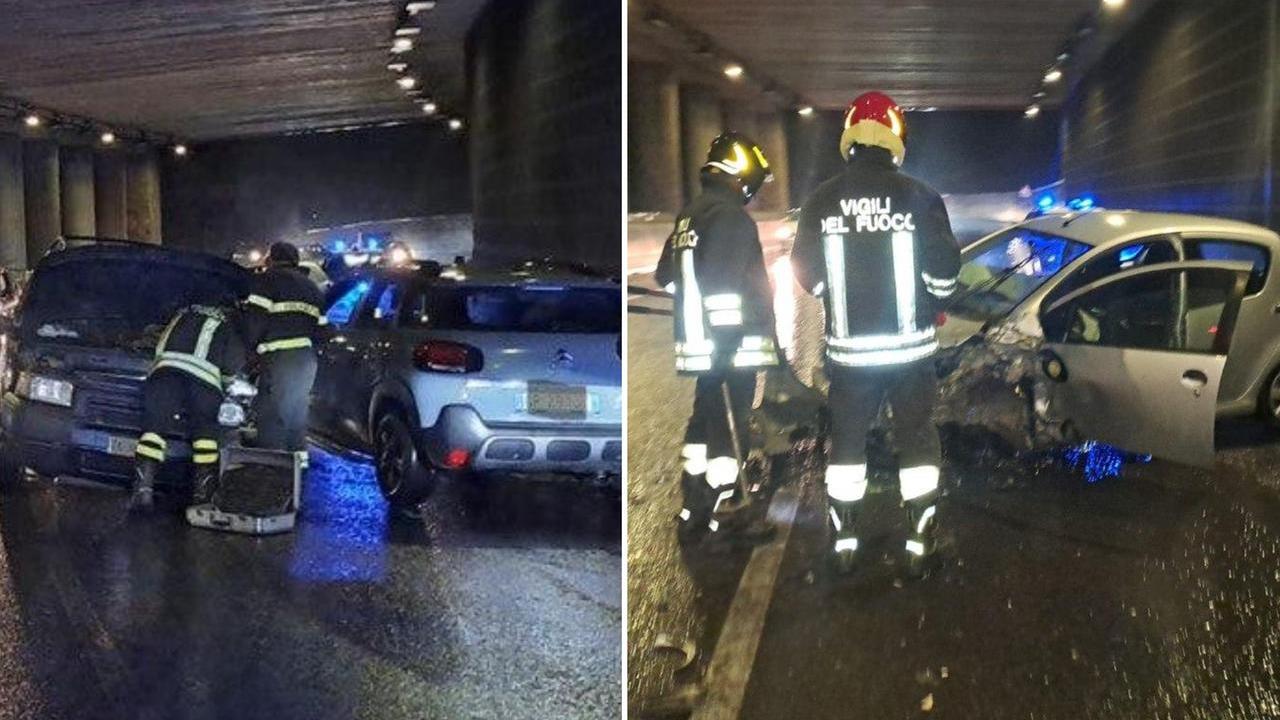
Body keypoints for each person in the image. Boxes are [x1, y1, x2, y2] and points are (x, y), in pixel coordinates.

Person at [791, 91, 961, 575]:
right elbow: (946, 269)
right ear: (894, 139)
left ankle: (844, 545)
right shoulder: (921, 197)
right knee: (917, 441)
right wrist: (934, 302)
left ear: (849, 138)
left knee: (847, 444)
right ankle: (918, 545)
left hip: (850, 358)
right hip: (911, 356)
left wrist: (831, 293)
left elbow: (806, 270)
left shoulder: (822, 200)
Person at [655, 131, 780, 541]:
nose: (753, 193)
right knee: (730, 426)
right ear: (740, 174)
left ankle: (694, 507)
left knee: (704, 421)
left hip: (699, 345)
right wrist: (727, 339)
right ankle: (729, 508)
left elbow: (667, 278)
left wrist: (697, 321)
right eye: (753, 184)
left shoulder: (690, 214)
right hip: (732, 345)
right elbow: (725, 288)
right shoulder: (730, 217)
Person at [131, 302, 248, 511]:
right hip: (203, 384)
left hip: (165, 376)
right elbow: (232, 362)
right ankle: (202, 499)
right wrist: (226, 382)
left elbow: (159, 345)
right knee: (205, 439)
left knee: (153, 433)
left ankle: (143, 492)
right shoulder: (229, 323)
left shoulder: (182, 314)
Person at [244, 242, 326, 452]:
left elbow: (254, 322)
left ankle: (274, 474)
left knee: (272, 417)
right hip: (306, 362)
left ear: (271, 259)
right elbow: (323, 331)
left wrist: (248, 352)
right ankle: (298, 470)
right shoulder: (312, 288)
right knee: (296, 419)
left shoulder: (267, 281)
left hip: (280, 360)